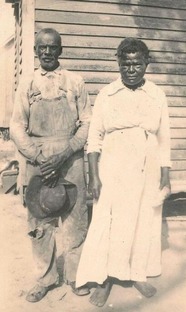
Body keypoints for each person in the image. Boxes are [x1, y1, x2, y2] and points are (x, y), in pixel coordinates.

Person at [76, 37, 171, 307]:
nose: (131, 69)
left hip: (147, 165)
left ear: (146, 64)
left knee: (143, 218)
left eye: (137, 64)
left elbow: (164, 137)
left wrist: (165, 174)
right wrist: (94, 175)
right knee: (109, 219)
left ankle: (135, 272)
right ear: (118, 64)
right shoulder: (107, 94)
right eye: (126, 64)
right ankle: (105, 278)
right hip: (114, 166)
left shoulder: (157, 95)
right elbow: (94, 139)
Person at [10, 28, 92, 302]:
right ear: (35, 50)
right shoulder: (27, 84)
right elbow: (16, 127)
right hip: (38, 160)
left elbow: (87, 124)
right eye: (42, 47)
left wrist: (66, 151)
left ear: (60, 49)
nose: (47, 52)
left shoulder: (75, 82)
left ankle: (74, 275)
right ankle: (44, 279)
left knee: (75, 219)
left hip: (71, 160)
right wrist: (37, 156)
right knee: (40, 221)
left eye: (52, 47)